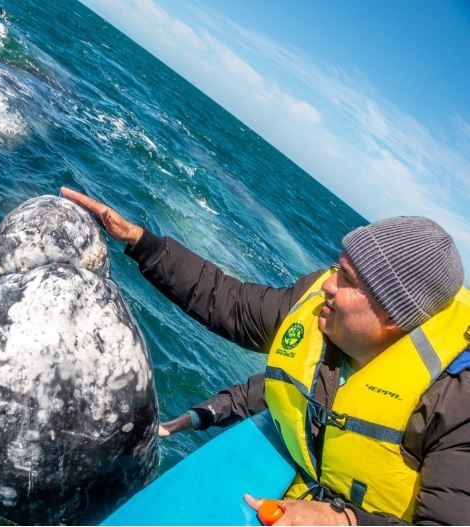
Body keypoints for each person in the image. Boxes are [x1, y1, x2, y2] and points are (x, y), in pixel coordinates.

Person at [60, 186, 470, 526]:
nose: (328, 285)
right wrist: (141, 242)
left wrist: (343, 521)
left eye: (348, 280)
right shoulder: (318, 305)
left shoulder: (456, 399)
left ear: (394, 317)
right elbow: (230, 302)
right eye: (338, 267)